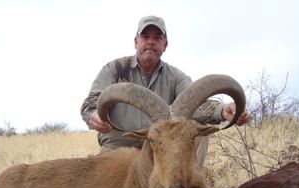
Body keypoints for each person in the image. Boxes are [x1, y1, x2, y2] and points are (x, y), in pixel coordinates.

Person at [80, 15, 249, 166]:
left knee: (198, 130)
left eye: (157, 37)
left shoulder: (175, 76)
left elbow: (196, 104)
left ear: (165, 45)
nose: (151, 42)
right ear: (136, 41)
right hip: (118, 148)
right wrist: (94, 115)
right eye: (145, 36)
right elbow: (91, 103)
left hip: (161, 148)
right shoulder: (115, 69)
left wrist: (223, 110)